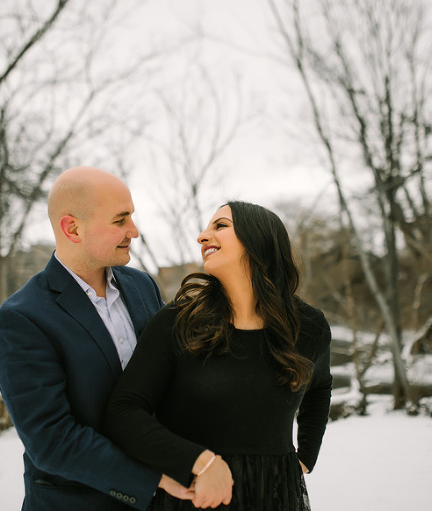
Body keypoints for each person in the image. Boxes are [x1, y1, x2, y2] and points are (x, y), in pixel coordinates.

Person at [103, 201, 333, 510]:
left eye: (220, 226)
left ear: (258, 238)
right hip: (196, 495)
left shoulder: (308, 326)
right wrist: (198, 461)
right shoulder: (177, 322)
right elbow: (123, 412)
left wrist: (306, 454)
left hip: (275, 495)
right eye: (207, 227)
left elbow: (319, 386)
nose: (202, 236)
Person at [0, 166, 193, 510]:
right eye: (120, 220)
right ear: (72, 228)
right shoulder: (21, 319)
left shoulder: (141, 286)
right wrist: (151, 480)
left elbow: (170, 378)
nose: (134, 231)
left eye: (132, 217)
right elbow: (52, 441)